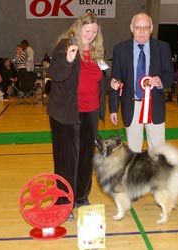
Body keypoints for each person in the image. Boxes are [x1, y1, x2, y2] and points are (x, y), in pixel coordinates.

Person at [47, 11, 109, 220]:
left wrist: (112, 84)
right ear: (78, 27)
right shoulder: (65, 45)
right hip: (66, 113)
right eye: (87, 30)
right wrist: (68, 59)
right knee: (66, 160)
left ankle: (81, 198)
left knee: (85, 158)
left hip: (90, 112)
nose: (90, 35)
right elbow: (55, 73)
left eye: (94, 31)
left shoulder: (96, 51)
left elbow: (97, 79)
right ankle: (64, 202)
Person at [109, 12, 174, 153]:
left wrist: (161, 81)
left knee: (158, 153)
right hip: (131, 106)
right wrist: (113, 109)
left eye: (146, 27)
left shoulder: (163, 47)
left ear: (151, 28)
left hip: (155, 105)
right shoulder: (120, 50)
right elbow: (115, 80)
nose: (142, 31)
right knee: (133, 153)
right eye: (138, 27)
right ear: (131, 28)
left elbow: (170, 75)